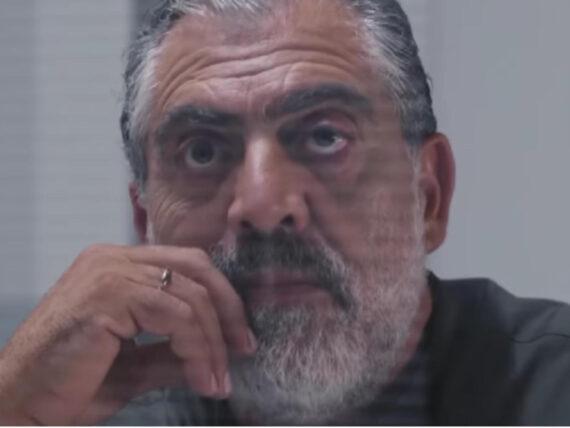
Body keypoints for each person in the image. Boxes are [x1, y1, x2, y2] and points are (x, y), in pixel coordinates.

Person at [1, 0, 569, 425]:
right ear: (146, 222)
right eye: (202, 152)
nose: (263, 206)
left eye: (324, 137)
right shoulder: (85, 410)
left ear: (429, 197)